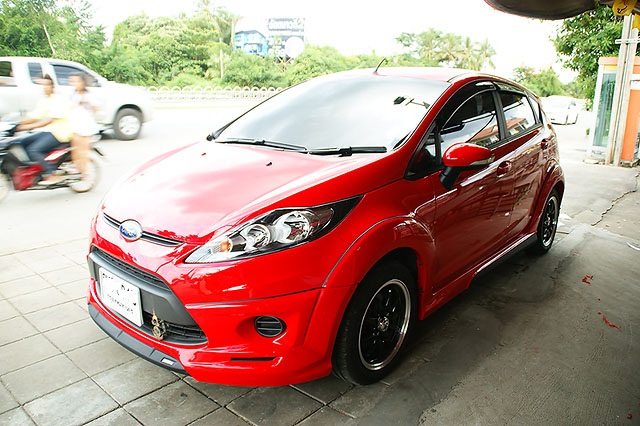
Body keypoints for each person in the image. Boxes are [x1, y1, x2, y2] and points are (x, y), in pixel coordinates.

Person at [16, 74, 72, 185]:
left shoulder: (59, 100)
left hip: (60, 133)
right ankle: (39, 168)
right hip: (49, 131)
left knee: (33, 150)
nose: (44, 88)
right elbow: (34, 117)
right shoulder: (44, 100)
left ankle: (52, 173)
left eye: (47, 85)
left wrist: (26, 127)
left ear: (52, 86)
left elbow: (48, 120)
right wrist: (17, 123)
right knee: (22, 142)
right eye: (42, 85)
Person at [68, 73, 99, 179]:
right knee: (75, 148)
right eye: (72, 81)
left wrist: (87, 102)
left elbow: (96, 109)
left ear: (82, 82)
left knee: (84, 150)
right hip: (75, 124)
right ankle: (77, 168)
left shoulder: (89, 94)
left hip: (86, 125)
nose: (74, 84)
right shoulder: (72, 95)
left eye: (77, 81)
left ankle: (84, 172)